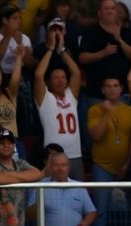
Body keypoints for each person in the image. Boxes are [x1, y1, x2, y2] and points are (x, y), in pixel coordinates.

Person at [87, 77, 131, 226]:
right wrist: (106, 113)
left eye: (115, 86)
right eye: (108, 86)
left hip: (126, 167)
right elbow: (96, 135)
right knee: (101, 210)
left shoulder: (130, 111)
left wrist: (128, 164)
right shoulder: (95, 109)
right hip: (102, 167)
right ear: (102, 90)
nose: (112, 89)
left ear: (121, 88)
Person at [34, 26, 83, 180]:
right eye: (56, 77)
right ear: (49, 82)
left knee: (76, 194)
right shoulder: (45, 98)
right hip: (53, 156)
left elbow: (76, 73)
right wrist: (50, 49)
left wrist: (62, 49)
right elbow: (38, 75)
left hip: (75, 155)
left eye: (63, 77)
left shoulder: (70, 95)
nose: (61, 80)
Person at [0, 129, 44, 226]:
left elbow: (38, 174)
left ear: (14, 146)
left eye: (9, 142)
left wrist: (8, 177)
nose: (6, 145)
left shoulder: (20, 163)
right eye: (2, 143)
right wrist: (23, 178)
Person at [78, 0, 131, 101]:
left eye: (113, 8)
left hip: (123, 93)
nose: (110, 11)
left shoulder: (127, 31)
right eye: (106, 9)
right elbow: (82, 58)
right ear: (99, 13)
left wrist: (120, 41)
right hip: (96, 94)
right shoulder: (90, 32)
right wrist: (103, 53)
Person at [26, 151, 97, 226]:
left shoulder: (79, 187)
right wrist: (40, 202)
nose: (60, 168)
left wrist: (86, 223)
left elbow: (91, 212)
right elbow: (28, 216)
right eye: (56, 165)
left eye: (63, 165)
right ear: (51, 167)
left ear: (68, 167)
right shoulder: (40, 186)